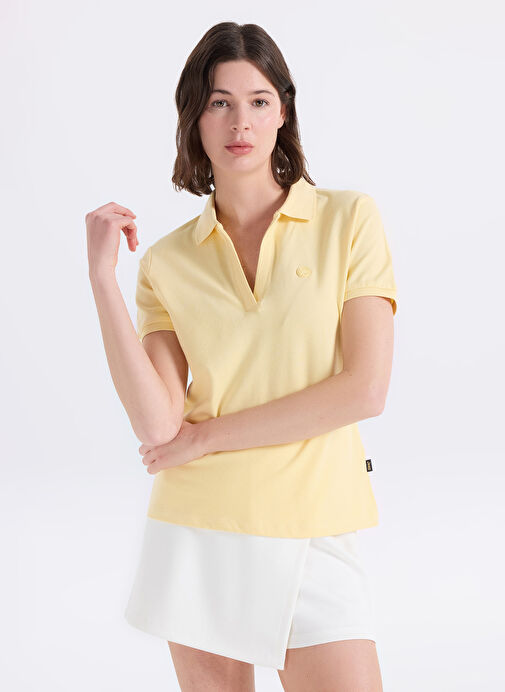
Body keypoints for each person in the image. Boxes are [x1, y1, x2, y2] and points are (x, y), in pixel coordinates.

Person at [87, 21, 397, 692]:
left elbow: (364, 390)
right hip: (199, 529)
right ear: (193, 117)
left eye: (258, 100)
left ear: (283, 111)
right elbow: (158, 426)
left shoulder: (349, 219)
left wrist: (205, 439)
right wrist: (102, 279)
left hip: (315, 520)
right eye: (219, 102)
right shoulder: (166, 262)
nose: (240, 122)